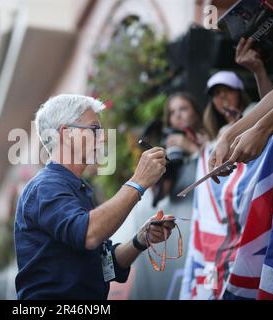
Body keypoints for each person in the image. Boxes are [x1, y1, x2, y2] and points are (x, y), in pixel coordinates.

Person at [14, 94, 175, 299]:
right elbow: (89, 235)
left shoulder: (75, 188)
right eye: (94, 129)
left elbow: (106, 265)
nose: (103, 137)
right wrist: (138, 181)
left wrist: (141, 239)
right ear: (66, 134)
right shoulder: (45, 187)